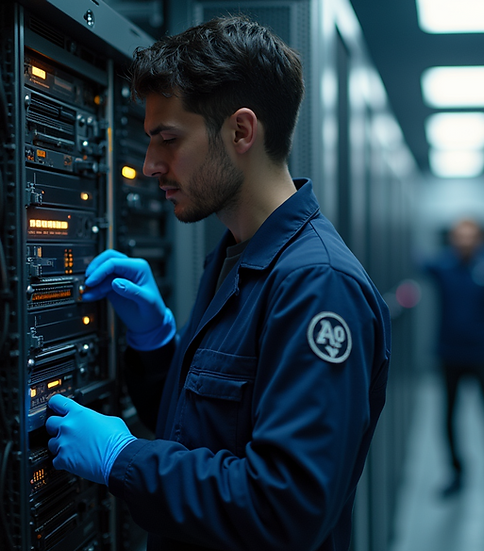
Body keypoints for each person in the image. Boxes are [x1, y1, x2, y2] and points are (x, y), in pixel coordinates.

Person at [44, 16, 391, 550]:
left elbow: (285, 510)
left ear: (241, 131)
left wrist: (123, 458)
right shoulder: (235, 255)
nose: (150, 165)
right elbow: (209, 427)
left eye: (168, 140)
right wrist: (156, 342)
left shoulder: (318, 286)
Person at [423, 218, 484, 502]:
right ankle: (455, 474)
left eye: (469, 236)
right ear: (452, 239)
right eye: (458, 236)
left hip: (483, 353)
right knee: (449, 416)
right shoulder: (442, 264)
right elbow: (415, 263)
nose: (464, 241)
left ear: (480, 238)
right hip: (449, 352)